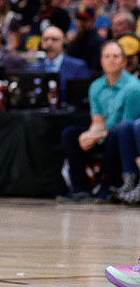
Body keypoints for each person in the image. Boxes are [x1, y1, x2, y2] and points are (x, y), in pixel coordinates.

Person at [59, 41, 140, 202]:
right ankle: (80, 188)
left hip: (120, 137)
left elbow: (126, 126)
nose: (111, 60)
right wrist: (90, 135)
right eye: (107, 56)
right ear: (101, 61)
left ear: (124, 61)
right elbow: (97, 121)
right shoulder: (96, 86)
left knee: (115, 133)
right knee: (70, 134)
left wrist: (98, 136)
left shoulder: (134, 88)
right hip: (104, 131)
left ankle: (107, 187)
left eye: (116, 56)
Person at [34, 25, 91, 98]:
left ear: (63, 42)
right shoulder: (34, 69)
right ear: (41, 43)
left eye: (54, 39)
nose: (49, 43)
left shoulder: (78, 67)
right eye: (46, 39)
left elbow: (82, 98)